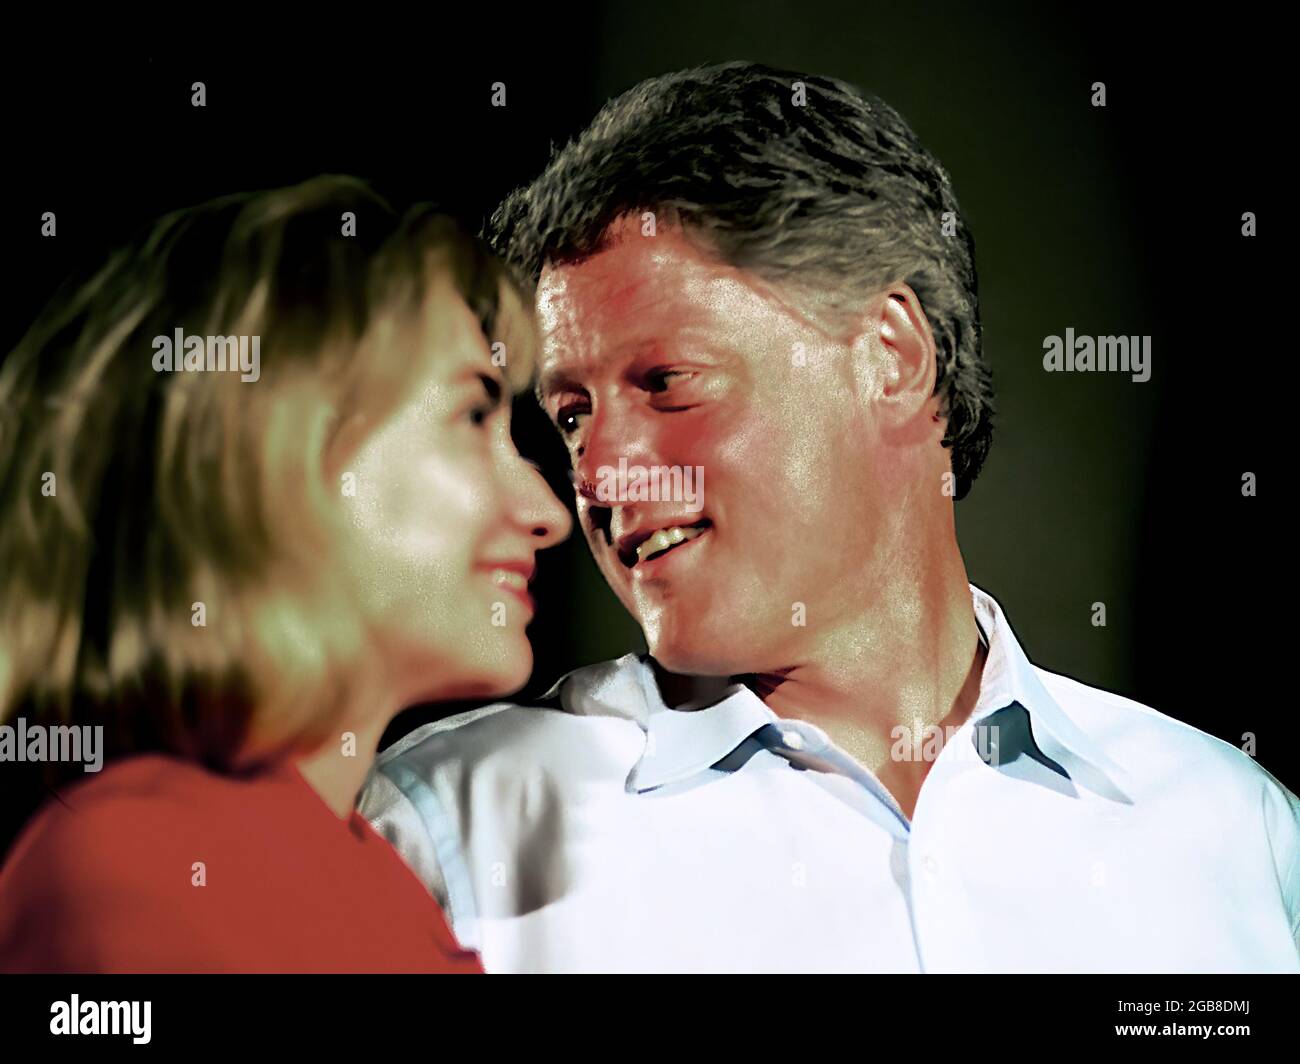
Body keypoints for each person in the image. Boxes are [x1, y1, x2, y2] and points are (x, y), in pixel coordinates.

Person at [360, 63, 1300, 973]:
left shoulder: (1242, 836)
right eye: (572, 416)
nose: (600, 476)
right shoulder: (449, 830)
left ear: (891, 355)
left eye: (668, 385)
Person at [0, 175, 571, 972]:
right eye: (473, 415)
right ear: (260, 456)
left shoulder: (379, 882)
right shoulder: (136, 876)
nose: (549, 511)